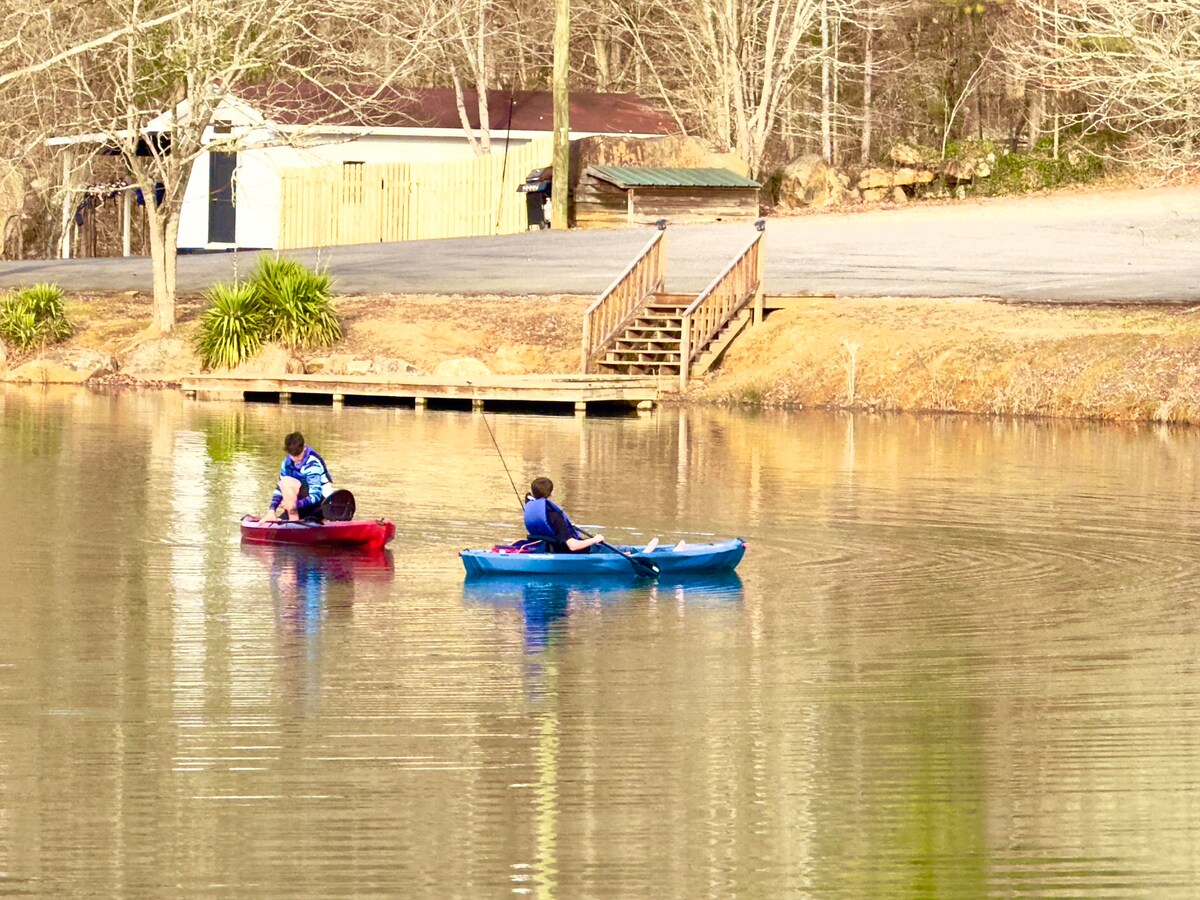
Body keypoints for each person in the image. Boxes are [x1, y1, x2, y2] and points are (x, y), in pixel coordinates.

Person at [523, 476, 605, 553]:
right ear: (551, 493)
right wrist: (595, 539)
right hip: (562, 551)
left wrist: (566, 526)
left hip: (546, 548)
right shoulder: (556, 517)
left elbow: (550, 526)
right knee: (597, 547)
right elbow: (573, 546)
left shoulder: (534, 511)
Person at [268, 432, 333, 522]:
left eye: (299, 454)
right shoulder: (286, 464)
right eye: (293, 455)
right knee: (284, 483)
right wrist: (272, 510)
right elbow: (280, 488)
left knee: (287, 482)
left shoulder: (312, 464)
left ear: (304, 447)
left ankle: (293, 521)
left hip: (322, 504)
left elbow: (316, 495)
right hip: (301, 504)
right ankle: (293, 521)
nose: (296, 458)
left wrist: (295, 505)